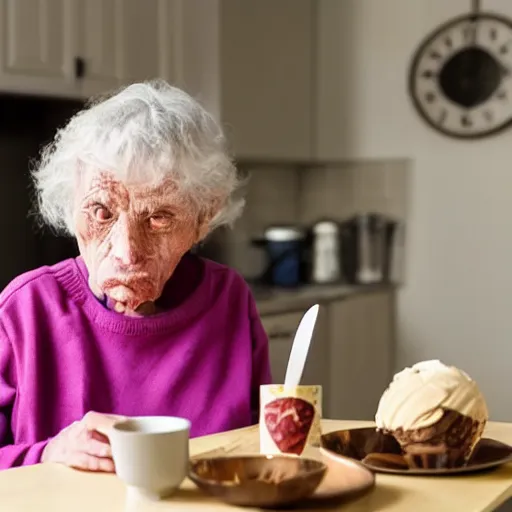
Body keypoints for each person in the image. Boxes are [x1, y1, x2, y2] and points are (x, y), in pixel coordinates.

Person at [0, 80, 272, 471]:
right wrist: (46, 454)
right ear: (69, 207)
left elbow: (264, 451)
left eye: (159, 218)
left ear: (202, 218)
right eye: (101, 212)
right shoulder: (23, 312)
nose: (127, 252)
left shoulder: (229, 299)